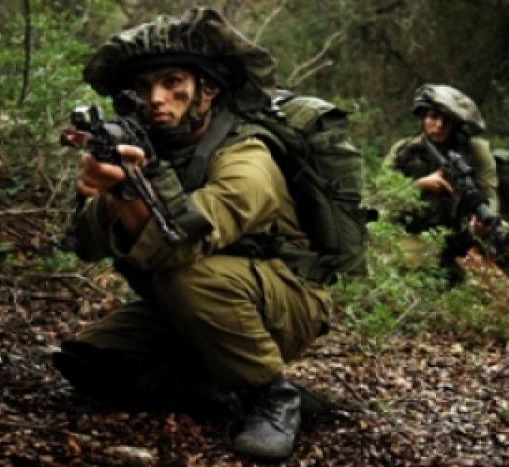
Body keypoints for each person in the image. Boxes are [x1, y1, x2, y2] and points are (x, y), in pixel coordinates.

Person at [51, 8, 332, 460]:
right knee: (91, 361)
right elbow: (85, 244)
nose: (156, 98)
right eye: (144, 87)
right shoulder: (147, 146)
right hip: (190, 298)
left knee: (187, 278)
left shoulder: (248, 158)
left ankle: (272, 395)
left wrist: (128, 189)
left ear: (208, 90)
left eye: (172, 83)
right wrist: (107, 191)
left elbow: (183, 244)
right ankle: (214, 384)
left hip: (284, 300)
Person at [384, 84, 509, 339]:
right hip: (420, 234)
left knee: (504, 236)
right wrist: (419, 186)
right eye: (433, 117)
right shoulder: (404, 151)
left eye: (447, 121)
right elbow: (381, 199)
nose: (439, 126)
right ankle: (452, 278)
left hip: (462, 228)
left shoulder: (475, 150)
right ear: (423, 116)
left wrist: (481, 222)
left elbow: (490, 193)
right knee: (406, 269)